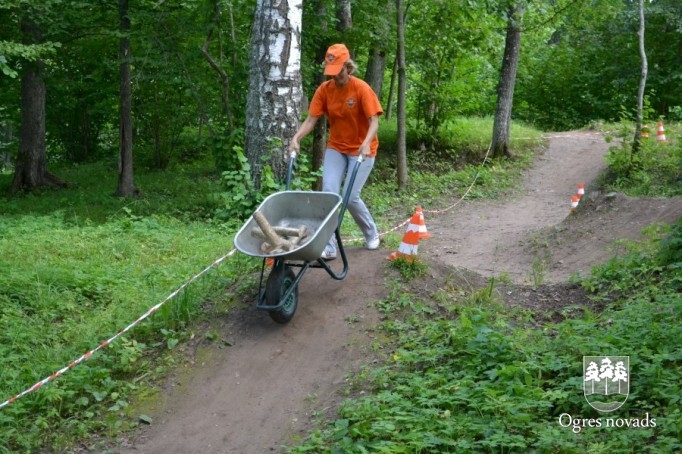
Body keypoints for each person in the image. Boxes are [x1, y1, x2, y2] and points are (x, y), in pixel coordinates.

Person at [289, 43, 383, 260]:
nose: (336, 77)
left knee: (350, 197)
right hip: (337, 148)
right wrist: (296, 138)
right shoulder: (325, 90)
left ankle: (371, 233)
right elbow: (311, 119)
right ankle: (329, 246)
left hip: (363, 149)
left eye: (339, 72)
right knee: (329, 195)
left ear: (348, 68)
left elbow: (374, 121)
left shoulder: (361, 89)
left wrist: (367, 142)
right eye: (332, 73)